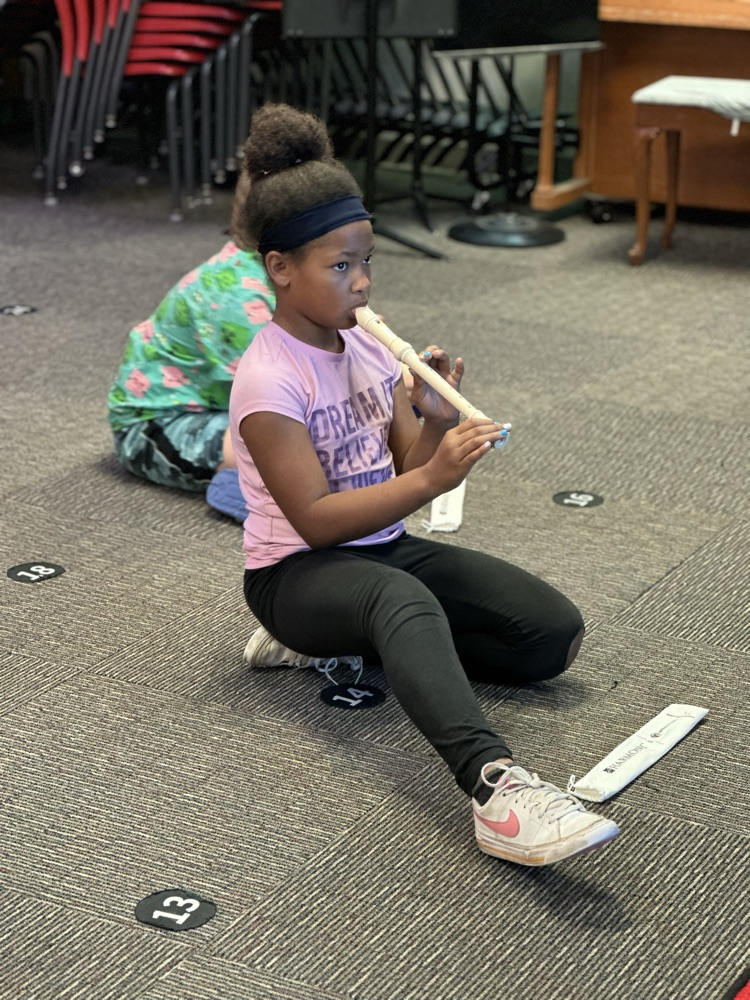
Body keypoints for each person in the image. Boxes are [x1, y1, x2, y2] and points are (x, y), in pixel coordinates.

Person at [228, 103, 620, 867]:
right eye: (340, 267)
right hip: (294, 575)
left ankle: (375, 647)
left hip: (378, 551)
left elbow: (404, 469)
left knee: (549, 636)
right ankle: (496, 790)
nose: (363, 282)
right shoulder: (268, 380)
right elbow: (315, 523)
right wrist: (437, 475)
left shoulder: (366, 346)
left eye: (367, 260)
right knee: (401, 602)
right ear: (281, 267)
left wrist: (433, 419)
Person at [107, 173, 275, 518]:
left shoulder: (276, 270)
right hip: (160, 425)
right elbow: (287, 396)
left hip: (224, 404)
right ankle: (257, 496)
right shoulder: (241, 299)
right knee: (297, 442)